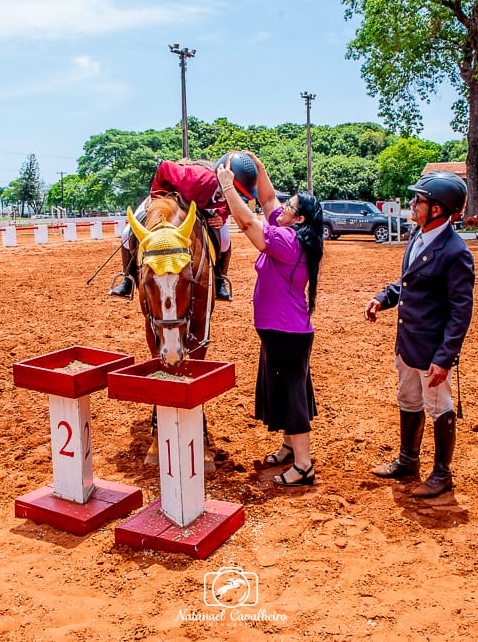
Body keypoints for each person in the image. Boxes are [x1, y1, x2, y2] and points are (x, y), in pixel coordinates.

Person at [364, 171, 475, 498]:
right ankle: (408, 461)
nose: (412, 204)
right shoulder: (417, 234)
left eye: (419, 200)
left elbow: (460, 312)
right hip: (408, 341)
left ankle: (442, 474)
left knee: (438, 406)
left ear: (439, 209)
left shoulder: (455, 253)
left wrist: (445, 358)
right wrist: (383, 298)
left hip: (431, 349)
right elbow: (409, 283)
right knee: (408, 399)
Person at [219, 152, 324, 487]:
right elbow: (265, 198)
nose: (283, 208)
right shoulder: (292, 230)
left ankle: (304, 466)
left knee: (292, 393)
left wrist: (227, 187)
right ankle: (290, 447)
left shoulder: (286, 241)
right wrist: (260, 167)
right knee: (282, 388)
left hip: (286, 332)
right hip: (280, 331)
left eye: (290, 207)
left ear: (300, 219)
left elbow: (249, 223)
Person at [110, 154, 258, 302]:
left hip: (201, 205)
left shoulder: (224, 190)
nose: (237, 197)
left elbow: (230, 205)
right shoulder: (194, 178)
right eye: (236, 193)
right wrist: (158, 202)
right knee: (126, 234)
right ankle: (128, 280)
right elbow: (165, 168)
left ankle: (219, 280)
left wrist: (221, 215)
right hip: (168, 196)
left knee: (225, 239)